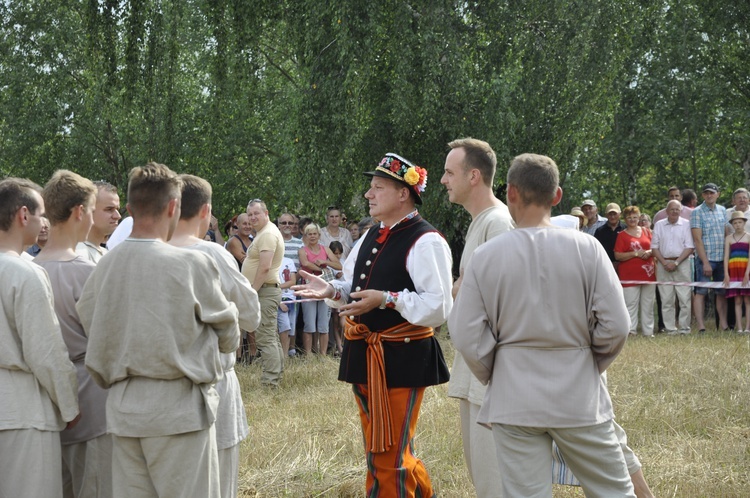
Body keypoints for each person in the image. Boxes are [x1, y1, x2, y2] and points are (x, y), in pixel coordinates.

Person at [449, 153, 635, 497]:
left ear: (511, 194)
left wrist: (499, 371)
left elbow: (465, 333)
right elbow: (617, 326)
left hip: (513, 396)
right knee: (614, 492)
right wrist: (587, 362)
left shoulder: (485, 257)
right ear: (558, 196)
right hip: (579, 397)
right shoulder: (589, 249)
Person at [77, 162, 240, 498]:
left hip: (124, 408)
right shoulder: (191, 263)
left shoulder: (104, 264)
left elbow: (89, 320)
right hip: (178, 409)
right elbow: (229, 333)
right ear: (172, 207)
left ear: (130, 208)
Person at [294, 152, 452, 498]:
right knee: (385, 451)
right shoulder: (371, 236)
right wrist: (332, 289)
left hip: (400, 358)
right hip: (366, 354)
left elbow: (438, 307)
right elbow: (353, 286)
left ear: (403, 194)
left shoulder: (426, 241)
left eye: (378, 187)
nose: (368, 194)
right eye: (370, 187)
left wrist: (388, 299)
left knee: (389, 456)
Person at [167, 174, 261, 498]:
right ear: (205, 211)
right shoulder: (214, 254)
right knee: (217, 482)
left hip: (158, 385)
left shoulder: (146, 251)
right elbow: (251, 314)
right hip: (211, 380)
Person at [439, 138, 514, 497]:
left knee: (496, 481)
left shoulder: (498, 223)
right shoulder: (481, 222)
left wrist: (460, 288)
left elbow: (501, 300)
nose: (442, 180)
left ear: (473, 176)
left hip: (493, 373)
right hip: (477, 368)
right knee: (482, 476)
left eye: (449, 172)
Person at [33, 171, 113, 498]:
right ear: (80, 212)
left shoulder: (28, 268)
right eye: (93, 209)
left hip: (42, 399)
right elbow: (107, 343)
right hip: (90, 400)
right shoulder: (85, 271)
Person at [0, 177, 80, 498]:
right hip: (23, 412)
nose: (44, 221)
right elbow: (46, 353)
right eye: (41, 213)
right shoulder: (26, 272)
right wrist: (70, 406)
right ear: (23, 215)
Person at [241, 199, 286, 388]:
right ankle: (276, 375)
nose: (252, 218)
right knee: (270, 336)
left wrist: (252, 290)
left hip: (264, 290)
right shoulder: (263, 233)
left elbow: (265, 267)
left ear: (266, 213)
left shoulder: (267, 234)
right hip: (264, 290)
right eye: (250, 214)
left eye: (256, 214)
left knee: (265, 337)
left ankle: (270, 382)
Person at [652, 200, 695, 335]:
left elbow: (689, 247)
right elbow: (654, 247)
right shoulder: (659, 225)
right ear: (667, 211)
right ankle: (670, 328)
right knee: (666, 299)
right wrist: (664, 263)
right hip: (663, 264)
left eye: (677, 209)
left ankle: (684, 328)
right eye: (672, 209)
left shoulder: (686, 224)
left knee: (684, 298)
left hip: (682, 264)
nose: (675, 212)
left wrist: (676, 263)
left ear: (680, 211)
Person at [298, 223, 342, 355]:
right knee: (309, 324)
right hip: (309, 289)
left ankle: (322, 355)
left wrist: (326, 262)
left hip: (325, 289)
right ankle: (308, 355)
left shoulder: (326, 250)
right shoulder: (302, 250)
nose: (312, 236)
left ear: (319, 235)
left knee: (323, 325)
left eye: (314, 233)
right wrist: (323, 269)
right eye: (309, 234)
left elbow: (338, 265)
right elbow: (305, 263)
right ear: (305, 236)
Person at [691, 182, 729, 333]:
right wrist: (705, 262)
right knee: (701, 292)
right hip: (705, 260)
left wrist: (726, 260)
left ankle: (725, 326)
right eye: (706, 193)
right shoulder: (697, 212)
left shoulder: (722, 210)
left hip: (721, 259)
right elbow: (697, 239)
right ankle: (701, 327)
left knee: (721, 293)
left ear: (717, 194)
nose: (709, 195)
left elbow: (727, 235)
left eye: (712, 193)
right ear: (702, 195)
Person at [615, 206, 656, 337]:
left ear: (639, 218)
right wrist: (635, 254)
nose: (632, 220)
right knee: (630, 304)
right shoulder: (621, 235)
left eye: (635, 217)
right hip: (629, 275)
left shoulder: (647, 231)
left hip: (648, 274)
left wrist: (649, 252)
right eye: (629, 218)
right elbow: (618, 256)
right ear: (625, 219)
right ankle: (631, 330)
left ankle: (648, 331)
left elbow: (656, 247)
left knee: (648, 304)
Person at [76, 181, 121, 263]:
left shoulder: (107, 254)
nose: (117, 216)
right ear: (88, 210)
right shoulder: (77, 255)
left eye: (117, 209)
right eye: (109, 209)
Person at [278, 212, 303, 356]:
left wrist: (291, 281)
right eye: (283, 223)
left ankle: (291, 348)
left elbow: (302, 265)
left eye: (290, 223)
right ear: (278, 225)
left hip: (294, 286)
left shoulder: (299, 243)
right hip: (276, 288)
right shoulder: (274, 241)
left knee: (292, 319)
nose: (287, 225)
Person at [723, 211, 750, 334]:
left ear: (744, 223)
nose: (738, 225)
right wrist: (726, 274)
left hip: (745, 271)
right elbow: (726, 257)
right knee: (737, 300)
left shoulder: (749, 236)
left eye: (740, 222)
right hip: (733, 271)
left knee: (747, 300)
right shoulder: (729, 238)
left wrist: (747, 274)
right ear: (732, 224)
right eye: (735, 223)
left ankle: (747, 327)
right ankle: (739, 328)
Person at [594, 203, 625, 269]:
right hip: (606, 266)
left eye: (615, 214)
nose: (612, 217)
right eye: (610, 214)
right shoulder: (600, 231)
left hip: (625, 265)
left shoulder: (626, 229)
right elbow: (597, 250)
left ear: (620, 214)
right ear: (606, 215)